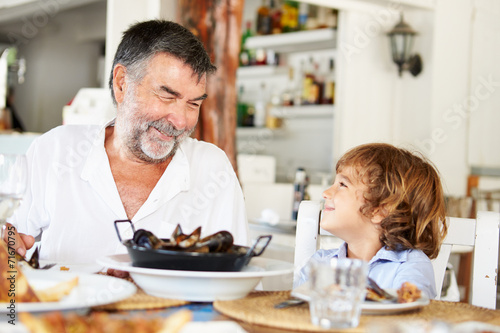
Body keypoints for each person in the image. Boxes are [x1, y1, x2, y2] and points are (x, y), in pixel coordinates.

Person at [5, 20, 249, 266]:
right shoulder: (53, 151)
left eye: (193, 104)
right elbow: (10, 246)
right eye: (166, 96)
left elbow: (237, 278)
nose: (180, 121)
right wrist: (9, 251)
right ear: (122, 83)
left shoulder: (212, 169)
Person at [294, 143, 447, 298]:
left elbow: (410, 316)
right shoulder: (321, 262)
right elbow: (294, 313)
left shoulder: (410, 266)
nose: (325, 193)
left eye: (342, 184)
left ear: (379, 210)